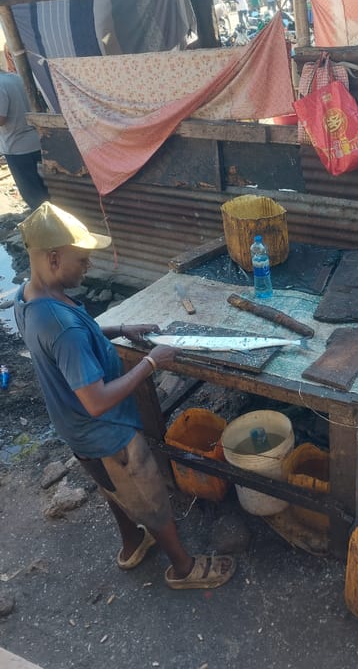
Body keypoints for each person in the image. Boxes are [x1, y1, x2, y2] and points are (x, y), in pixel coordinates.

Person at [14, 202, 236, 590]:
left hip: (76, 431)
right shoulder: (60, 324)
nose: (88, 268)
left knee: (111, 487)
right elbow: (96, 400)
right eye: (81, 261)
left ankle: (132, 543)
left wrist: (117, 329)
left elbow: (73, 344)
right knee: (149, 495)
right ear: (52, 258)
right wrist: (151, 362)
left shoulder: (26, 300)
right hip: (107, 431)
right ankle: (183, 569)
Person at [0, 69, 49, 210]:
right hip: (37, 141)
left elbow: (1, 119)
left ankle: (47, 227)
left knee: (33, 195)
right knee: (45, 190)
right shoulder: (17, 78)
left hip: (17, 148)